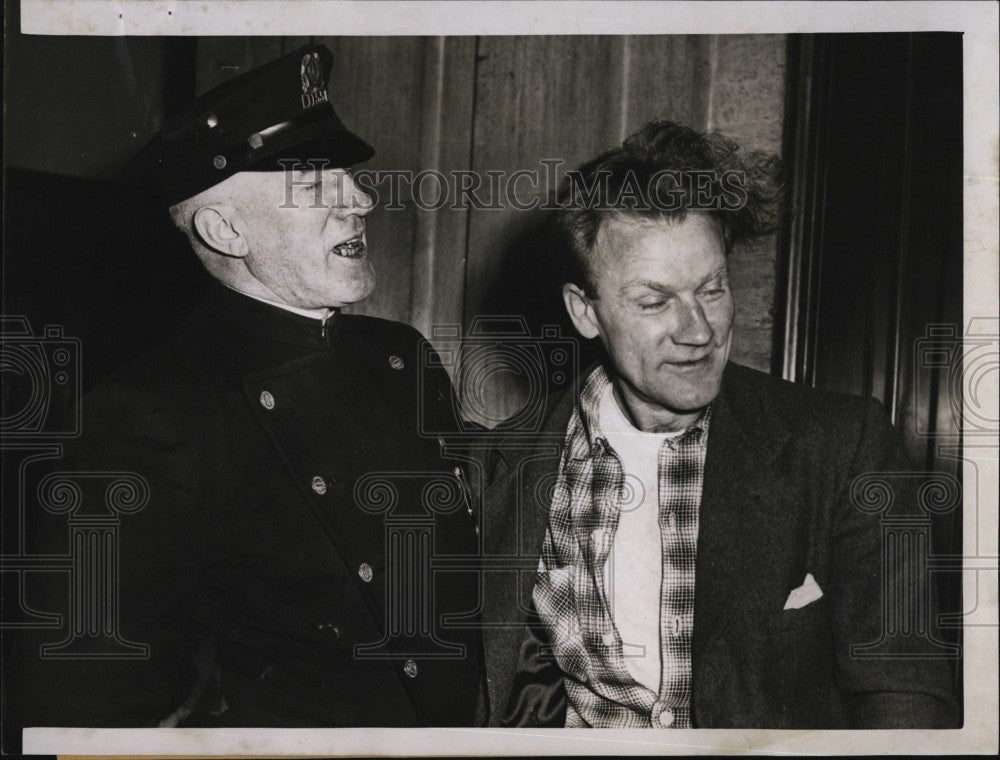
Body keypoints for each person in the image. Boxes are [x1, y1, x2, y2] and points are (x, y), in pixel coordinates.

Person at [13, 44, 483, 728]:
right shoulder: (149, 414)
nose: (359, 198)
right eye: (314, 184)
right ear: (225, 229)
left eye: (346, 176)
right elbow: (80, 694)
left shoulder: (400, 358)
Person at [477, 120, 959, 728]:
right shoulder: (501, 465)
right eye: (654, 302)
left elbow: (905, 694)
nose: (698, 331)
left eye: (712, 289)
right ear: (584, 311)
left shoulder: (845, 447)